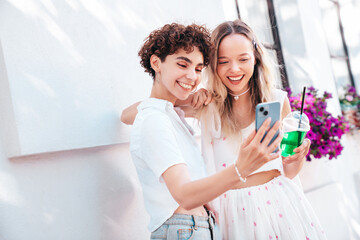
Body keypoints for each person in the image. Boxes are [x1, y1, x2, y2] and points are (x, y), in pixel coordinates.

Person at [127, 22, 282, 240]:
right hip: (185, 229)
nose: (192, 76)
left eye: (199, 69)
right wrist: (241, 168)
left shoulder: (169, 115)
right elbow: (184, 195)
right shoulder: (154, 119)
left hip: (199, 226)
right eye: (183, 65)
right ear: (156, 63)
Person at [198, 19, 327, 239]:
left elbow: (289, 172)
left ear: (256, 58)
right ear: (213, 64)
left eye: (243, 59)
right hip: (234, 214)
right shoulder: (206, 106)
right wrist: (186, 100)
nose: (234, 69)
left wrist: (296, 158)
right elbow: (132, 114)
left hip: (280, 206)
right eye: (223, 61)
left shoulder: (277, 100)